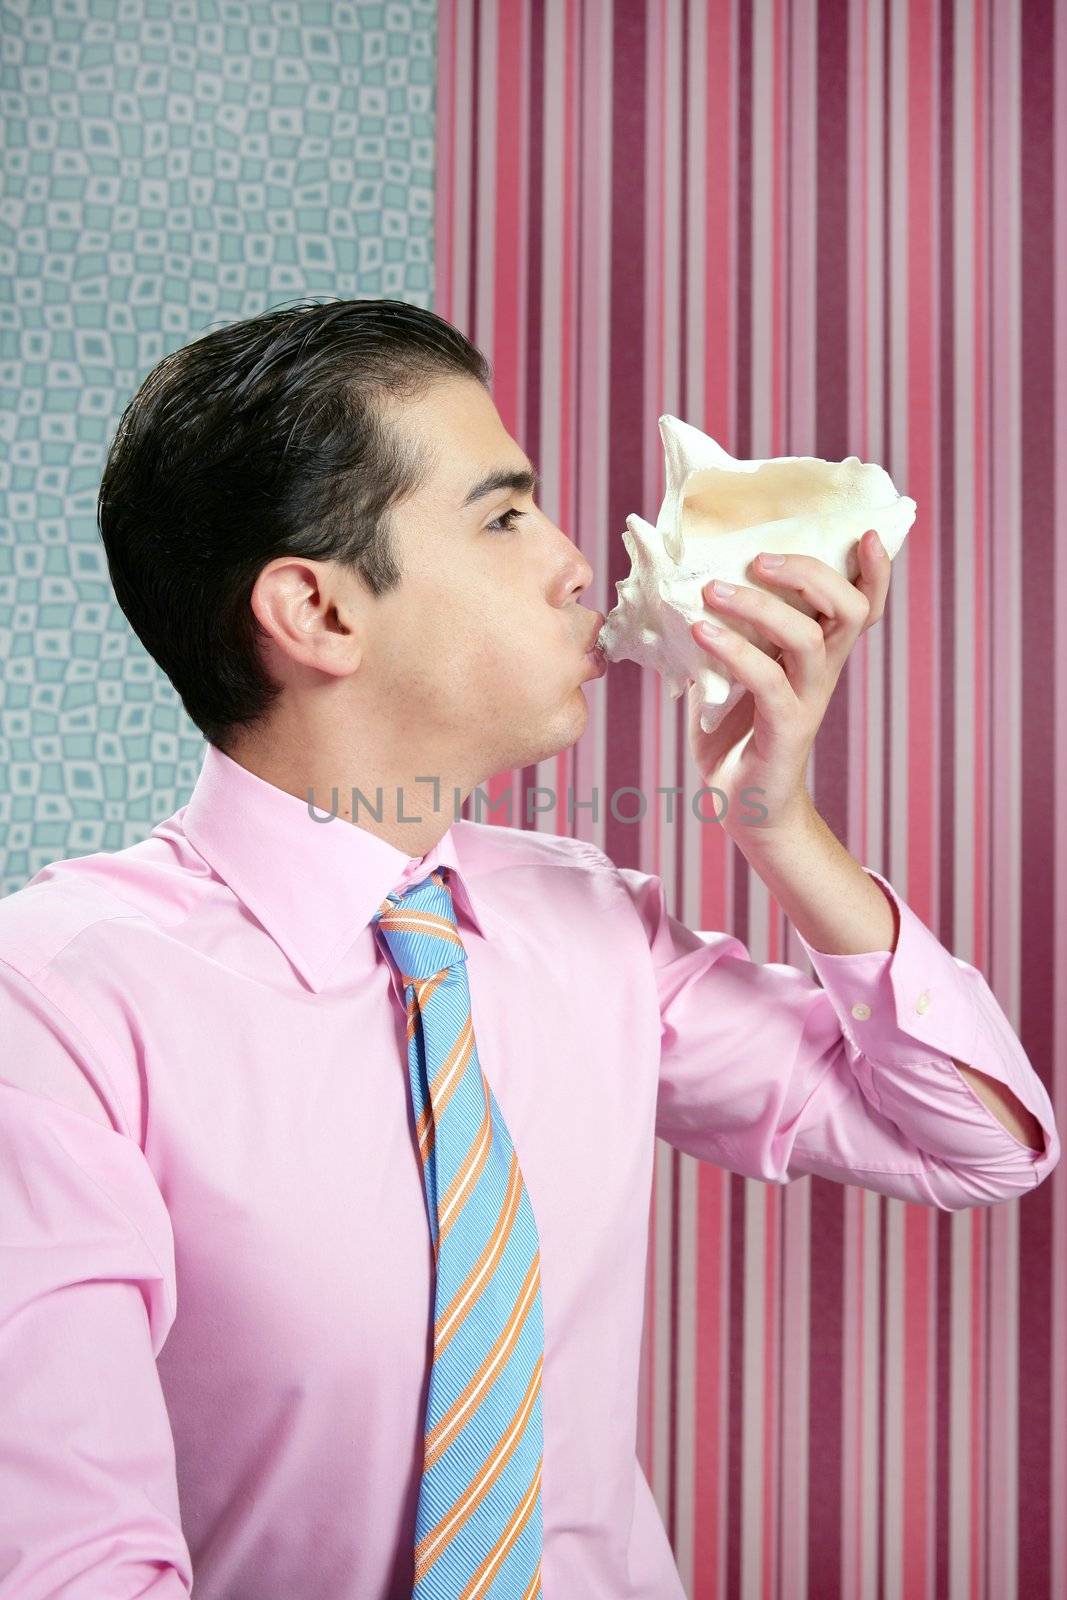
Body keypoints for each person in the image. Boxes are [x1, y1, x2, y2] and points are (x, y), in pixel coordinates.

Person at [0, 298, 1057, 1600]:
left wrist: (779, 824)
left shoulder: (591, 925)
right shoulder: (58, 1006)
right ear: (318, 612)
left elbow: (974, 1142)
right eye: (504, 516)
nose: (575, 563)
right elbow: (73, 1572)